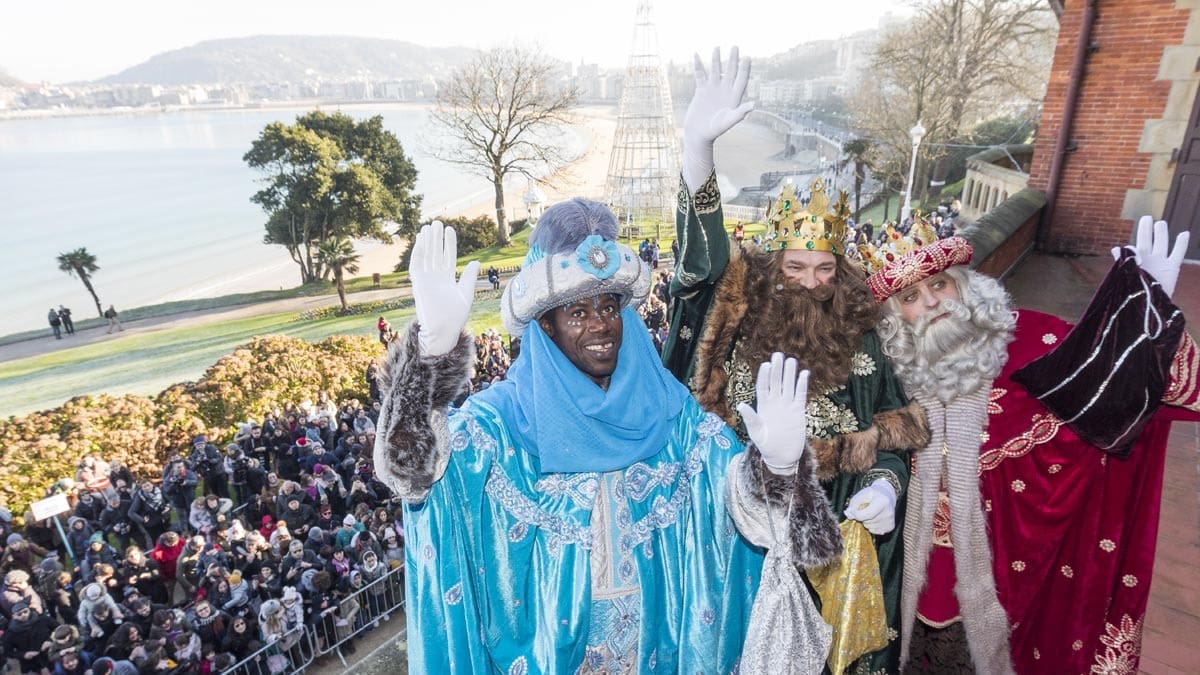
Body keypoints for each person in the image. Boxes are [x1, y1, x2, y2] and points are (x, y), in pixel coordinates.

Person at [373, 208, 845, 673]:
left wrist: (779, 469)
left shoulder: (667, 408)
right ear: (546, 326)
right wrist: (428, 363)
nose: (600, 324)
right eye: (577, 311)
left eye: (608, 307)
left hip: (657, 651)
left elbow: (734, 500)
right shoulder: (499, 422)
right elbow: (416, 479)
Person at [661, 47, 929, 673]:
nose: (811, 283)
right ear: (773, 267)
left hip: (844, 532)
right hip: (749, 534)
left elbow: (894, 425)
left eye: (825, 268)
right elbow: (700, 257)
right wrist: (698, 156)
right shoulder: (740, 315)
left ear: (841, 270)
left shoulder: (867, 333)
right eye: (796, 267)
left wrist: (887, 484)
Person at [863, 221, 1200, 673]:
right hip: (908, 577)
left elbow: (1128, 391)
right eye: (909, 297)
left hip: (1013, 577)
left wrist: (1148, 316)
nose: (930, 304)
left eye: (939, 284)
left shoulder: (1039, 342)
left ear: (962, 284)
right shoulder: (886, 375)